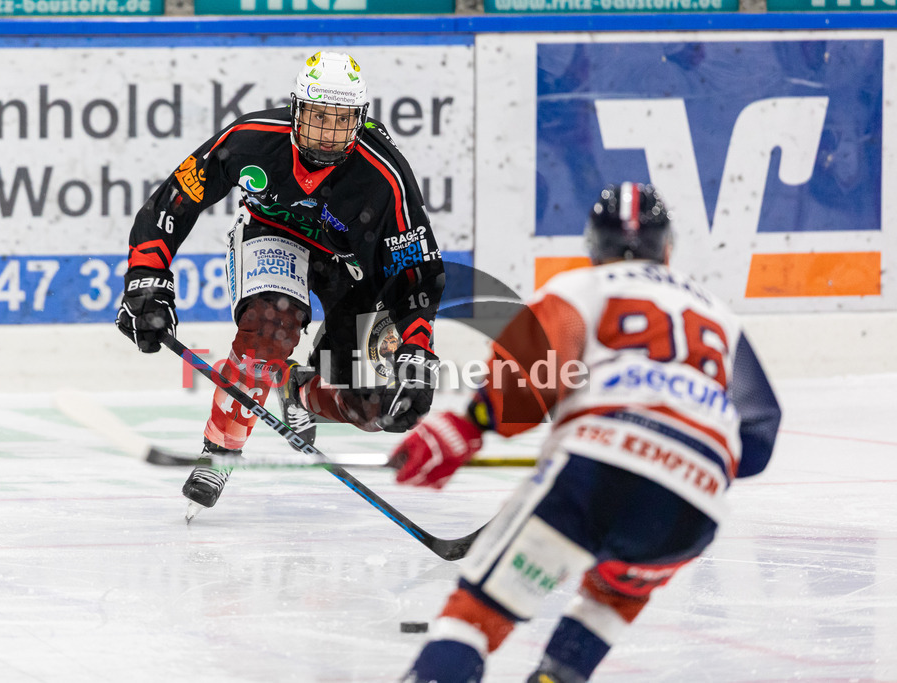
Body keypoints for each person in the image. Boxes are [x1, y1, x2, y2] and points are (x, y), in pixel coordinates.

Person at [390, 183, 781, 683]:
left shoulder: (581, 288)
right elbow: (760, 434)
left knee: (477, 615)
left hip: (595, 478)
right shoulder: (719, 316)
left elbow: (528, 380)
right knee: (610, 599)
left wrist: (467, 426)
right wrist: (683, 461)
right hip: (694, 507)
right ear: (667, 247)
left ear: (593, 245)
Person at [116, 51, 444, 521]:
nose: (327, 134)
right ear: (295, 109)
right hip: (274, 237)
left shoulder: (386, 177)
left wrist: (416, 354)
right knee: (268, 329)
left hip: (353, 270)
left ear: (361, 122)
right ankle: (221, 450)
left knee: (382, 408)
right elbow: (171, 203)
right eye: (317, 117)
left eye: (341, 122)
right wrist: (147, 279)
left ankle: (299, 389)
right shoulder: (250, 139)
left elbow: (417, 276)